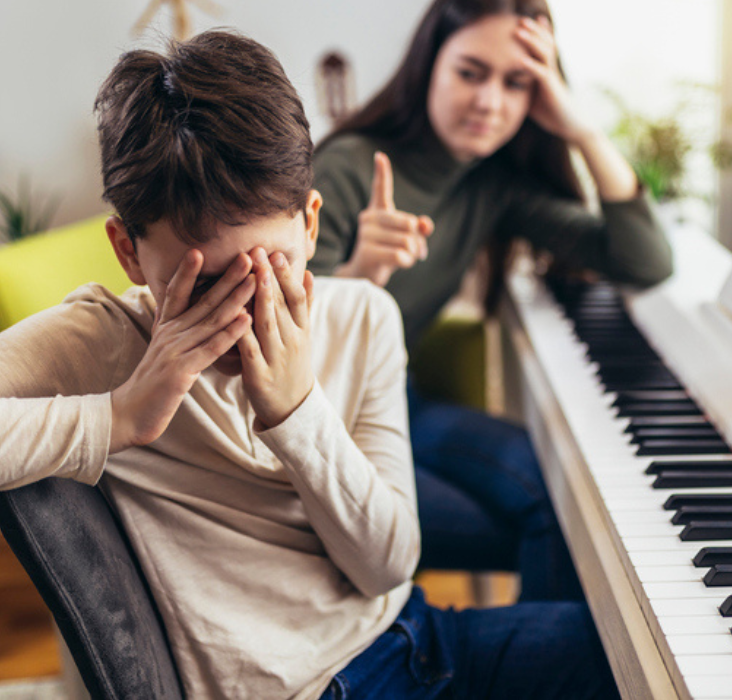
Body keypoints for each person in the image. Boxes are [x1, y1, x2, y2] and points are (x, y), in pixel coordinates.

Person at [0, 30, 619, 699]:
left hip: (411, 634)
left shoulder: (364, 318)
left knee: (634, 654)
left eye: (272, 269)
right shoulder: (107, 339)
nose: (246, 314)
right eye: (205, 287)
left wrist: (297, 412)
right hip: (308, 687)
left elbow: (387, 567)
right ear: (128, 253)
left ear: (312, 225)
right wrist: (118, 416)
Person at [309, 0, 673, 601]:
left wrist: (581, 128)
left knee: (567, 497)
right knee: (555, 527)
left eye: (517, 83)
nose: (489, 103)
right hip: (322, 431)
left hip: (402, 403)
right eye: (470, 72)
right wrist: (359, 275)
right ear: (430, 65)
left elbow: (644, 260)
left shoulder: (492, 182)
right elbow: (281, 360)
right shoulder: (348, 166)